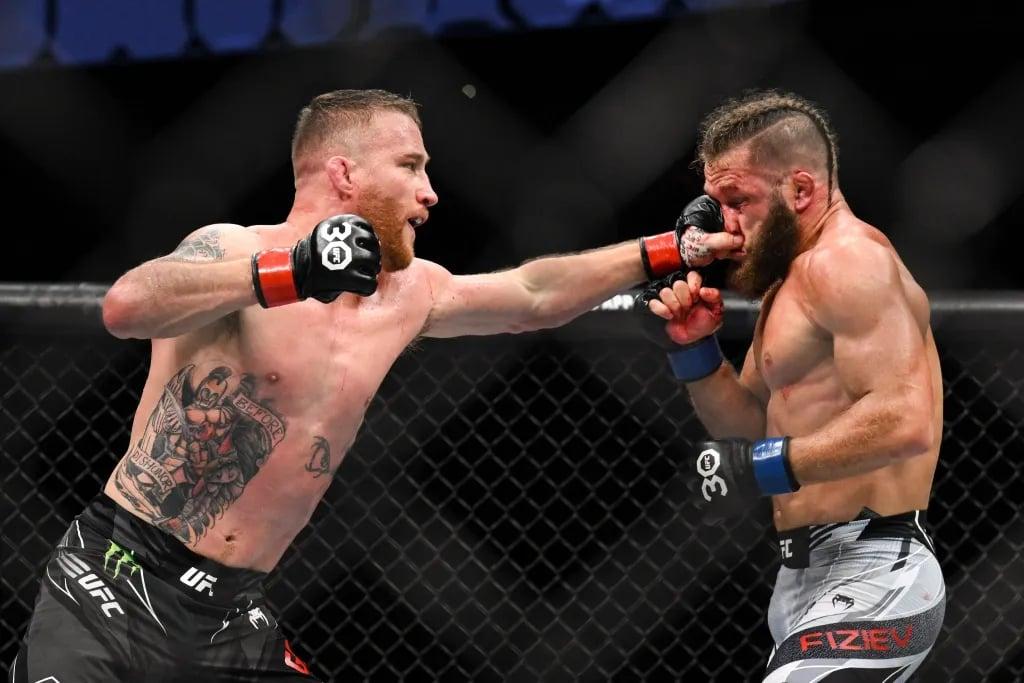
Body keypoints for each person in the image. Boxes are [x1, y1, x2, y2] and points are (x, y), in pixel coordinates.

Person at [9, 89, 738, 682]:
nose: (430, 192)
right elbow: (126, 304)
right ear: (344, 172)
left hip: (230, 616)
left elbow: (534, 292)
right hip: (109, 580)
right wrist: (289, 274)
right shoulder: (236, 249)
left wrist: (668, 249)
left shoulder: (410, 293)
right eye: (411, 166)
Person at [639, 90, 946, 681]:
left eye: (737, 200)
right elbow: (750, 426)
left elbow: (907, 420)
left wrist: (760, 468)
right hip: (801, 574)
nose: (723, 224)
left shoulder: (849, 261)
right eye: (715, 202)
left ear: (800, 190)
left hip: (876, 564)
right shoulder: (791, 284)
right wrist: (695, 351)